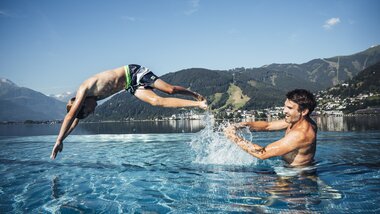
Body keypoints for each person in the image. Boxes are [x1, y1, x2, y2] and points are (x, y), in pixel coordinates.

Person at [50, 64, 208, 159]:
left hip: (133, 72)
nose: (93, 110)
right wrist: (63, 139)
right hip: (130, 85)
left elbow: (70, 116)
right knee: (156, 102)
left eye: (89, 110)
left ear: (81, 104)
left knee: (170, 90)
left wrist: (57, 140)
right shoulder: (89, 100)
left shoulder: (84, 90)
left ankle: (194, 95)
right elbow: (75, 121)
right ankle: (199, 104)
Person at [224, 89, 317, 166]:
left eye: (290, 108)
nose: (284, 110)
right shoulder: (296, 120)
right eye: (285, 106)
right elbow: (268, 125)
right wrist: (241, 125)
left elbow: (262, 154)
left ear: (304, 111)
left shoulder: (300, 135)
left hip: (296, 174)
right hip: (286, 166)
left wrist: (233, 137)